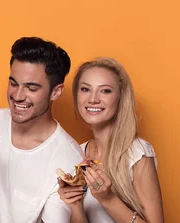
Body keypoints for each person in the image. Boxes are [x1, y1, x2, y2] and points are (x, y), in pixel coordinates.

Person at [0, 37, 84, 222]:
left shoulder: (67, 157)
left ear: (56, 92)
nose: (17, 96)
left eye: (31, 88)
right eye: (13, 83)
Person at [57, 57, 164, 223]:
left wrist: (108, 199)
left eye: (105, 91)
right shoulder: (77, 153)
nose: (93, 99)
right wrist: (75, 204)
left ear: (120, 98)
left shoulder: (136, 153)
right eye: (85, 89)